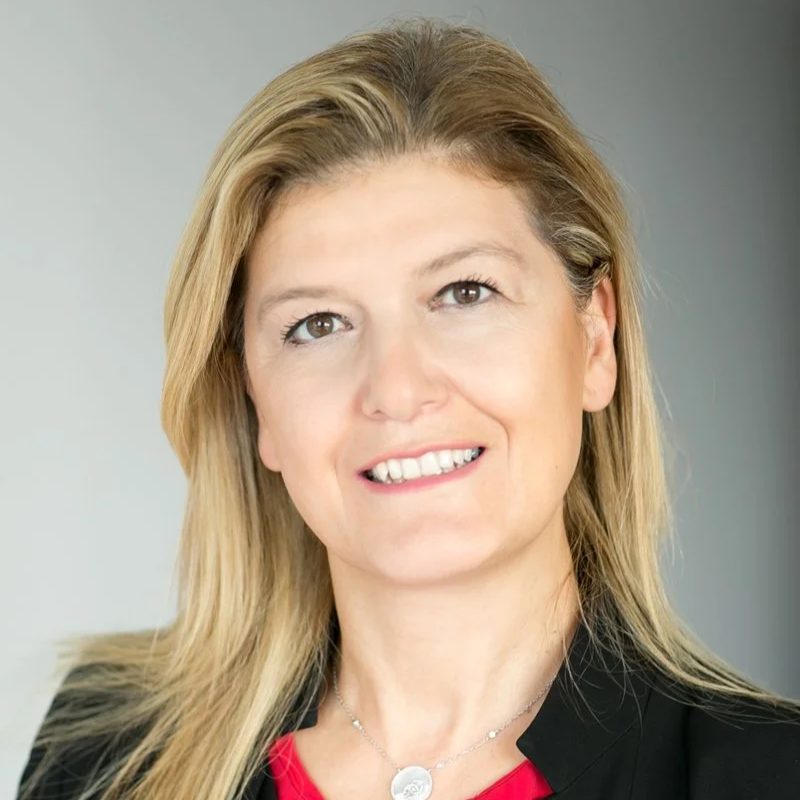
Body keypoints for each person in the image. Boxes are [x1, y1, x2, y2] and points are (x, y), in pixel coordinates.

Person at [16, 16, 800, 800]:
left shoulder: (768, 775)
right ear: (256, 403)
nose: (396, 389)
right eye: (318, 325)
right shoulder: (105, 755)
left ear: (595, 341)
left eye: (465, 293)